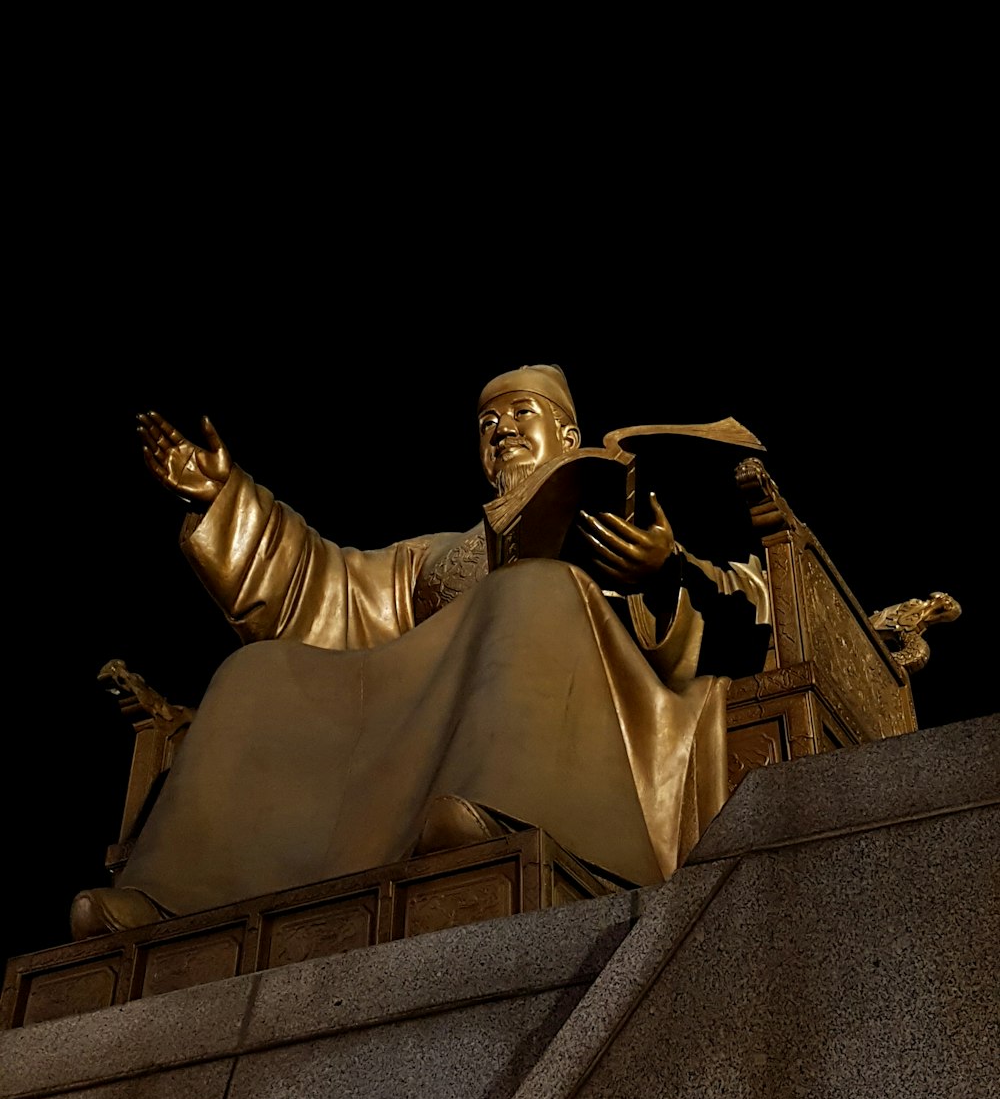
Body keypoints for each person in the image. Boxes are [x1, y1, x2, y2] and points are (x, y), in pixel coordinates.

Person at [71, 365, 771, 937]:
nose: (501, 433)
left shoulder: (632, 527)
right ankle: (172, 892)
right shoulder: (438, 560)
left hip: (594, 725)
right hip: (417, 733)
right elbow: (332, 590)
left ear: (566, 433)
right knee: (255, 670)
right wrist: (227, 499)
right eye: (487, 425)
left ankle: (504, 810)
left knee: (532, 591)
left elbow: (740, 602)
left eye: (521, 414)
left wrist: (664, 574)